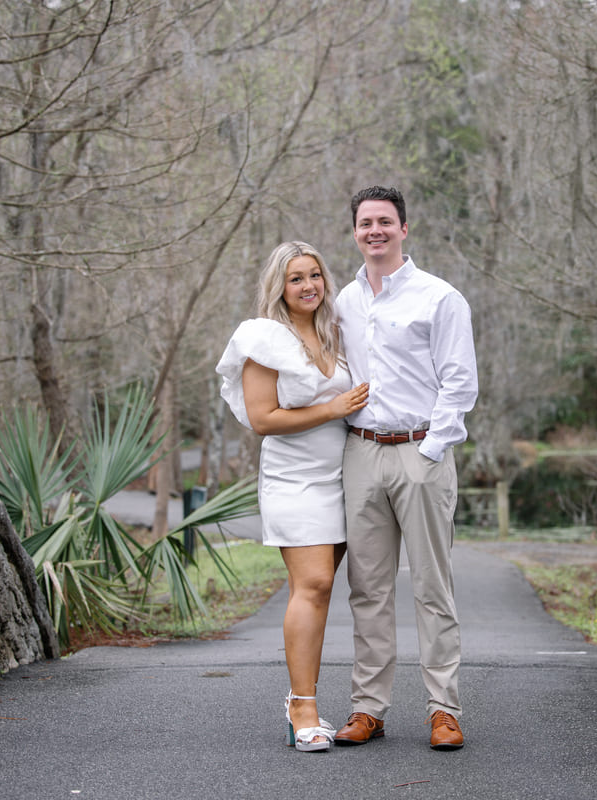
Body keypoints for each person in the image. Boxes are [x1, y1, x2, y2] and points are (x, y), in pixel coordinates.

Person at [333, 186, 478, 751]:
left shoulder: (439, 298)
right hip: (361, 453)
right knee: (366, 588)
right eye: (366, 222)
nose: (376, 230)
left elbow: (459, 381)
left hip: (421, 451)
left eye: (385, 222)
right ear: (355, 232)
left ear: (404, 229)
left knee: (431, 587)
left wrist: (432, 449)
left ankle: (444, 709)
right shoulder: (343, 301)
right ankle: (368, 708)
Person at [216, 241, 369, 753]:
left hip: (344, 475)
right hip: (294, 479)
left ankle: (311, 698)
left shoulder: (337, 333)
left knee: (321, 594)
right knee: (315, 582)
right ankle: (302, 705)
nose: (308, 286)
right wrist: (332, 408)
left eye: (315, 275)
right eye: (296, 278)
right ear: (279, 287)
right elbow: (264, 420)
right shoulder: (264, 338)